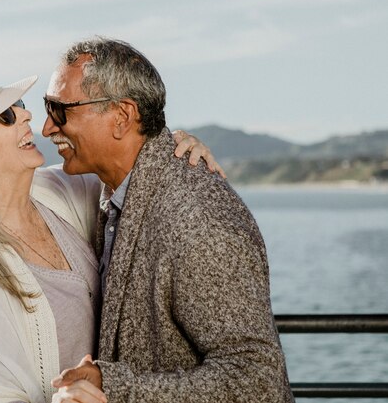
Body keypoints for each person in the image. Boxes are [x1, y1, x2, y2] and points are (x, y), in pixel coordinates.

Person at [0, 65, 222, 403]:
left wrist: (174, 147)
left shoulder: (58, 192)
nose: (26, 117)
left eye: (20, 104)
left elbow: (129, 165)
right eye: (5, 116)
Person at [44, 38, 295, 403]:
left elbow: (258, 380)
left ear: (122, 117)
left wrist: (115, 389)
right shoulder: (120, 193)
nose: (49, 127)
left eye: (60, 110)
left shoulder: (197, 219)